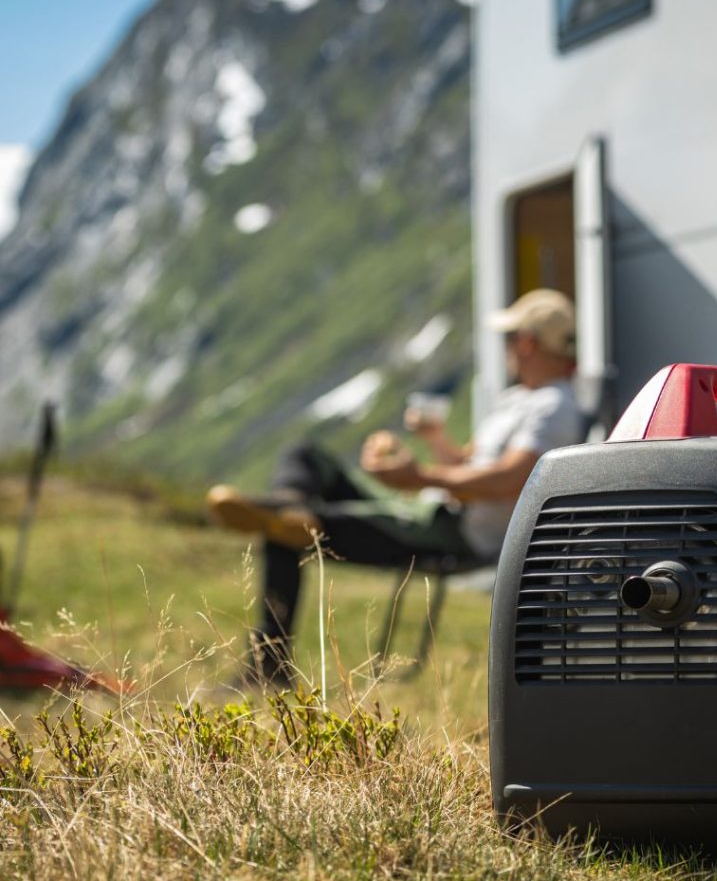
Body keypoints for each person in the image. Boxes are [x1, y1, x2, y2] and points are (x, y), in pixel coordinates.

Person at [206, 288, 583, 683]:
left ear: (526, 343)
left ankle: (269, 665)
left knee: (284, 530)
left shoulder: (553, 407)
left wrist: (417, 477)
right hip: (430, 514)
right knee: (304, 460)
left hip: (450, 533)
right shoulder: (523, 399)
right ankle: (292, 503)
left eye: (509, 338)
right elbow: (471, 466)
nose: (506, 347)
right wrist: (435, 441)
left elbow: (511, 479)